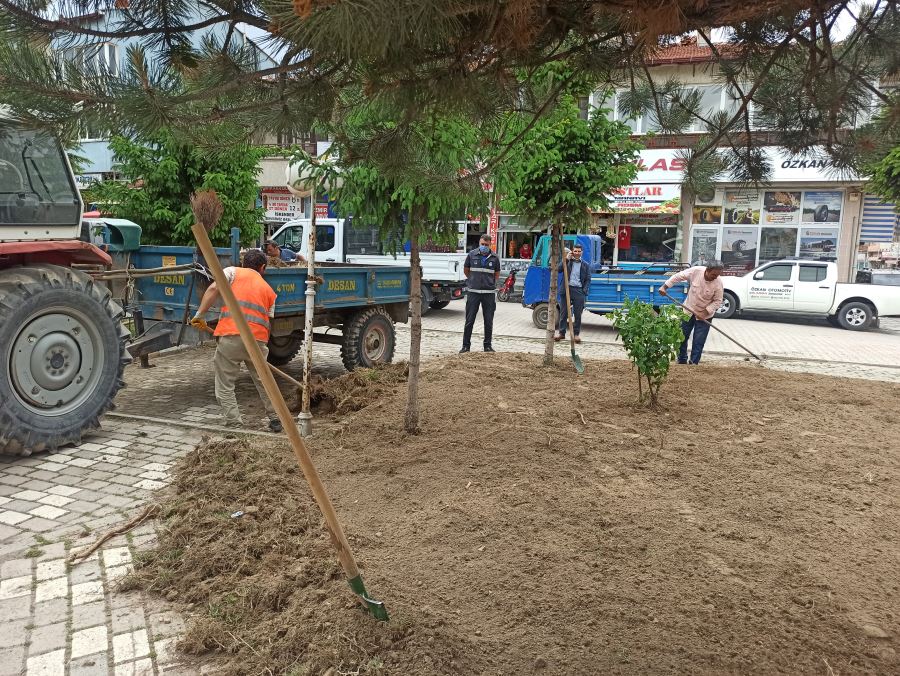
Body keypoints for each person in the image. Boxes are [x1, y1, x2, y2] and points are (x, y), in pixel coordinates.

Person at [190, 249, 282, 432]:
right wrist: (261, 347)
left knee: (225, 384)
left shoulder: (232, 272)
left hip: (231, 338)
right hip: (257, 341)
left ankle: (234, 425)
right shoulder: (270, 292)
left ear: (243, 263)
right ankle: (275, 419)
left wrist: (200, 315)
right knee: (265, 382)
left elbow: (214, 288)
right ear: (262, 267)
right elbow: (268, 324)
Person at [660, 260, 724, 365]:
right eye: (714, 274)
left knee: (698, 341)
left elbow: (718, 301)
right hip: (688, 310)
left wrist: (705, 312)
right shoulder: (696, 271)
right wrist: (664, 287)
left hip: (705, 315)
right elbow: (678, 276)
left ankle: (693, 364)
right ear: (707, 270)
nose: (716, 277)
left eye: (718, 275)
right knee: (682, 337)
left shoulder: (718, 283)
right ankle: (681, 360)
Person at [461, 233, 501, 353]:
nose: (484, 246)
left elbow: (497, 274)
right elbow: (466, 271)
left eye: (486, 245)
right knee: (469, 320)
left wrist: (489, 283)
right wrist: (473, 281)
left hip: (488, 294)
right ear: (479, 243)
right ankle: (465, 346)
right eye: (482, 244)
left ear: (490, 245)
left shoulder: (495, 258)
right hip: (473, 292)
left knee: (488, 321)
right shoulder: (472, 255)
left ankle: (487, 346)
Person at [555, 243, 591, 343]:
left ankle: (576, 334)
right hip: (566, 289)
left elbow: (588, 279)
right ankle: (561, 333)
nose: (577, 253)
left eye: (579, 251)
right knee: (564, 312)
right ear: (572, 251)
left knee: (578, 314)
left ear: (582, 252)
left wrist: (584, 291)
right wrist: (566, 258)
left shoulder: (585, 265)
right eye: (575, 251)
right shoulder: (568, 262)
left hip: (579, 290)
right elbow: (559, 269)